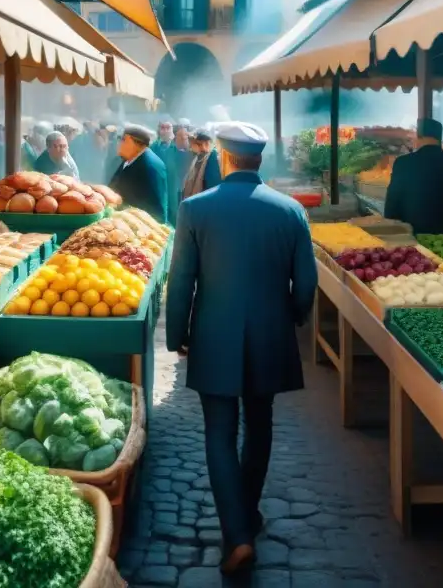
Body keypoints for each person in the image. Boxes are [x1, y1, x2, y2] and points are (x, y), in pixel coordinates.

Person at [166, 121, 317, 574]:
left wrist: (178, 335)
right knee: (260, 423)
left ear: (225, 158)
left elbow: (182, 284)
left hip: (214, 332)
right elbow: (306, 283)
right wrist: (290, 317)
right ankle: (246, 517)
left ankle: (236, 533)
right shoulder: (290, 211)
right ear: (259, 159)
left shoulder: (196, 209)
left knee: (218, 432)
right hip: (270, 333)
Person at [384, 118, 443, 234]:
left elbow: (392, 203)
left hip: (414, 234)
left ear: (419, 136)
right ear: (440, 138)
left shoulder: (403, 163)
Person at [108, 125, 168, 222]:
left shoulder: (150, 166)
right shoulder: (129, 159)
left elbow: (157, 210)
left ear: (136, 143)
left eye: (123, 139)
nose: (119, 143)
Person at [180, 128, 222, 201]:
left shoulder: (213, 158)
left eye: (192, 142)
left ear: (202, 143)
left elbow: (212, 187)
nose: (190, 146)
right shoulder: (198, 157)